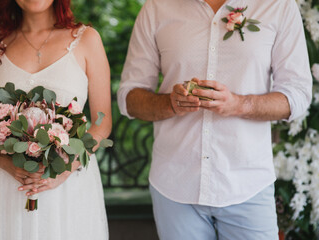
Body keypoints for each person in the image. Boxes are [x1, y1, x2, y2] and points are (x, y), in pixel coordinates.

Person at [118, 0, 312, 239]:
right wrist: (170, 103)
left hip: (247, 183)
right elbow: (130, 96)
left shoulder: (278, 5)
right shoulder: (156, 7)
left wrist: (239, 104)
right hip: (175, 183)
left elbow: (298, 95)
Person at [0, 0, 111, 239]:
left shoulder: (87, 40)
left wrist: (66, 168)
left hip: (68, 186)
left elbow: (103, 121)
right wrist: (6, 164)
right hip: (6, 182)